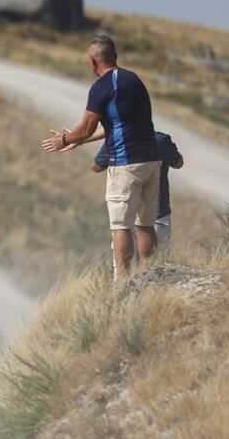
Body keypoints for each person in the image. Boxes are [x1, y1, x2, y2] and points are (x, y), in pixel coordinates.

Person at [41, 35, 161, 278]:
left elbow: (86, 127)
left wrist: (65, 139)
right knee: (145, 224)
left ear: (93, 61)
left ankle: (124, 282)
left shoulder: (102, 87)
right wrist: (79, 140)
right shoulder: (134, 80)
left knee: (120, 226)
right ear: (114, 56)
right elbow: (116, 124)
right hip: (150, 160)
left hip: (124, 164)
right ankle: (151, 276)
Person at [94, 131, 183, 266]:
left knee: (123, 267)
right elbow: (178, 163)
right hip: (158, 213)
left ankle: (122, 286)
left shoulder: (116, 140)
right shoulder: (161, 140)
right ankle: (153, 286)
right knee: (159, 267)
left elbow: (97, 167)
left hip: (126, 215)